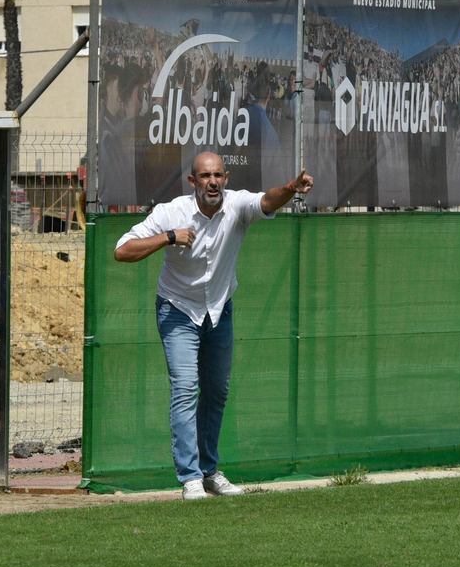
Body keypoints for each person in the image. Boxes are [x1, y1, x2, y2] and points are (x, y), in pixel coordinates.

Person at [114, 151, 313, 500]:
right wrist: (169, 237)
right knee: (186, 389)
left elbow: (268, 200)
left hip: (218, 311)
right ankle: (189, 477)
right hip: (177, 311)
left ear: (227, 178)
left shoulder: (236, 206)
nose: (213, 182)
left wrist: (292, 187)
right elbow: (122, 250)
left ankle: (209, 472)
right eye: (205, 176)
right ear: (193, 182)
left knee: (217, 392)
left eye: (218, 175)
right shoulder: (170, 212)